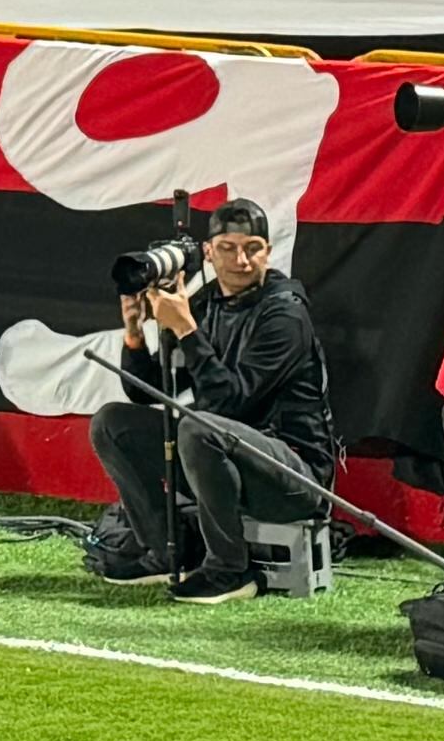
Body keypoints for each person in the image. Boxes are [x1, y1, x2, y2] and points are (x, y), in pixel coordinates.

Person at [88, 199, 341, 603]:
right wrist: (134, 331)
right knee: (112, 423)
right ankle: (165, 550)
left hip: (294, 476)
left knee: (199, 425)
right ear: (207, 252)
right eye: (227, 248)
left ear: (268, 252)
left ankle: (230, 569)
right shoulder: (208, 303)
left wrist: (187, 330)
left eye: (252, 247)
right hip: (224, 460)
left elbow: (230, 405)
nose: (240, 260)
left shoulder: (286, 316)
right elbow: (149, 390)